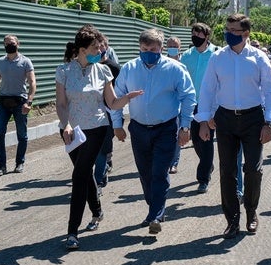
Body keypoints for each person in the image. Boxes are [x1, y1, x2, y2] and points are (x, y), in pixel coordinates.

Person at [56, 24, 143, 250]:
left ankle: (72, 232)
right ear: (82, 49)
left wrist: (128, 98)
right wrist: (65, 124)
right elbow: (62, 103)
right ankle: (97, 212)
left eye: (100, 47)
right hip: (71, 131)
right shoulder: (64, 71)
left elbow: (112, 103)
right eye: (95, 48)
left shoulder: (104, 71)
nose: (100, 52)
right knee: (84, 175)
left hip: (96, 128)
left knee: (79, 175)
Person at [196, 13, 271, 239]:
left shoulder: (259, 58)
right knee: (227, 170)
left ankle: (251, 212)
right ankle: (232, 220)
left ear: (246, 34)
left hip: (253, 119)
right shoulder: (218, 58)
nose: (229, 34)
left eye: (234, 31)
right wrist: (204, 119)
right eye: (227, 29)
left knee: (253, 168)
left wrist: (270, 122)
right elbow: (207, 89)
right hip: (225, 119)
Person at [115, 29, 196, 235]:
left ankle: (156, 215)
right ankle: (155, 206)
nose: (148, 52)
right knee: (145, 173)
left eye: (153, 49)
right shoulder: (129, 69)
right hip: (139, 128)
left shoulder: (175, 69)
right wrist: (117, 124)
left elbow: (188, 97)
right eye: (144, 49)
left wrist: (185, 126)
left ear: (161, 48)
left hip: (166, 128)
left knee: (159, 172)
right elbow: (117, 97)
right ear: (139, 48)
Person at [0, 34, 36, 176]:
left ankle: (20, 162)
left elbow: (32, 82)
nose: (10, 44)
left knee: (22, 134)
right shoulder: (0, 62)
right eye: (7, 43)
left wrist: (29, 101)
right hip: (3, 101)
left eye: (12, 42)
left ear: (18, 44)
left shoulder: (26, 61)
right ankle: (1, 166)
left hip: (20, 102)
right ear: (4, 45)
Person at [180, 23, 218, 193]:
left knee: (207, 139)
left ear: (206, 36)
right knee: (195, 140)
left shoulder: (216, 54)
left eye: (199, 33)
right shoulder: (187, 56)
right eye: (193, 33)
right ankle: (207, 164)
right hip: (192, 104)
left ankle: (203, 178)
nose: (195, 36)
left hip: (211, 104)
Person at [93, 38, 125, 192]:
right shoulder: (88, 67)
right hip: (91, 114)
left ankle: (98, 180)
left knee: (101, 147)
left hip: (109, 113)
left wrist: (118, 118)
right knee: (93, 148)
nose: (98, 50)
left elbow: (120, 92)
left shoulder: (114, 68)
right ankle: (103, 169)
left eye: (101, 46)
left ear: (106, 47)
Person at [165, 36, 183, 174]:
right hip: (165, 104)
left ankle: (174, 162)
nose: (172, 47)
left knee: (177, 134)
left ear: (179, 47)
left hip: (181, 104)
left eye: (175, 45)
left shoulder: (185, 62)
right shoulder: (160, 62)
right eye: (170, 44)